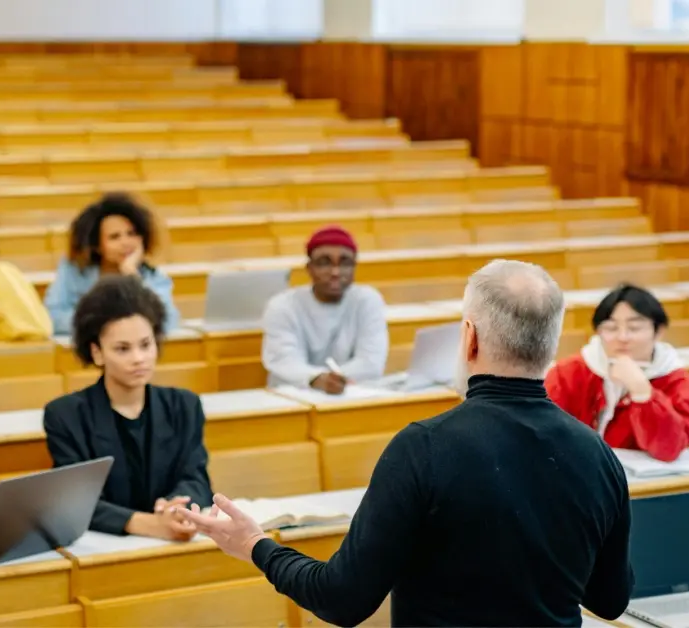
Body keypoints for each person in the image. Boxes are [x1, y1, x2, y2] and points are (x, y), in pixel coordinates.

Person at [181, 260, 633, 627]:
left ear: (469, 337)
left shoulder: (425, 448)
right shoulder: (596, 454)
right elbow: (610, 601)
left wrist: (256, 544)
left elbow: (342, 599)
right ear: (550, 344)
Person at [43, 275, 211, 541]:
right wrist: (149, 524)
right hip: (104, 549)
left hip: (173, 543)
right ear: (97, 352)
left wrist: (176, 506)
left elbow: (197, 479)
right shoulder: (65, 416)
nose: (139, 359)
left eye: (146, 345)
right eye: (122, 349)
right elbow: (76, 503)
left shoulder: (184, 406)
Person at [545, 283, 689, 462]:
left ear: (658, 332)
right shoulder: (569, 373)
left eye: (634, 328)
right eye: (611, 328)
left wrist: (643, 393)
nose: (622, 337)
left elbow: (668, 449)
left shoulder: (678, 381)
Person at [261, 225, 388, 394]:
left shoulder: (367, 300)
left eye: (345, 263)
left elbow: (371, 362)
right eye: (324, 263)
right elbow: (284, 361)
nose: (335, 272)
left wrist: (334, 381)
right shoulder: (282, 305)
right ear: (309, 268)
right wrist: (316, 379)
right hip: (294, 397)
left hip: (352, 395)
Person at [43, 193, 180, 336]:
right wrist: (107, 325)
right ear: (97, 245)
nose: (125, 242)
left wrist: (132, 275)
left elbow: (167, 322)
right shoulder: (74, 269)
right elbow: (52, 317)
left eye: (132, 234)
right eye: (115, 237)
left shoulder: (150, 275)